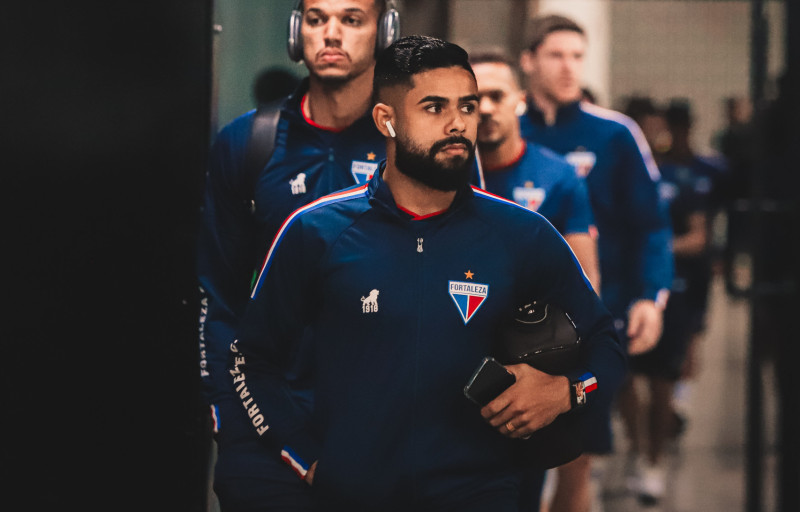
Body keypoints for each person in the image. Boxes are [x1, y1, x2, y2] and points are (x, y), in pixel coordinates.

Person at [230, 35, 627, 511]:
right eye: (434, 107)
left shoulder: (523, 234)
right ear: (387, 119)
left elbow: (605, 344)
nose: (458, 123)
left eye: (467, 106)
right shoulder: (317, 231)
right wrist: (304, 457)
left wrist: (566, 391)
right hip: (351, 496)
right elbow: (251, 360)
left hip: (482, 496)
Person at [197, 0, 399, 510]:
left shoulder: (412, 143)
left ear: (385, 34)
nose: (330, 33)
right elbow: (217, 295)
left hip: (384, 425)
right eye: (315, 19)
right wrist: (228, 413)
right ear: (296, 32)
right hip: (265, 423)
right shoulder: (249, 142)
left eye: (351, 20)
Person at [517, 15, 674, 512]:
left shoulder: (615, 134)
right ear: (528, 60)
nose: (569, 67)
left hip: (597, 314)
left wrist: (650, 297)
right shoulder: (504, 128)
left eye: (577, 56)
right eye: (556, 55)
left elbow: (652, 224)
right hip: (511, 318)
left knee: (578, 453)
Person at [470, 49, 600, 511]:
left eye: (496, 96)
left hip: (528, 365)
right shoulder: (442, 175)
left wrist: (566, 377)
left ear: (520, 101)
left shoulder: (557, 176)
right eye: (473, 100)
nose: (485, 109)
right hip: (451, 361)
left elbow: (586, 283)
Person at [617, 99, 726, 504]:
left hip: (672, 288)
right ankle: (636, 449)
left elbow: (698, 236)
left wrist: (654, 249)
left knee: (663, 377)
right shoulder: (620, 174)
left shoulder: (684, 178)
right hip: (623, 288)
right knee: (622, 377)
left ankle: (654, 460)